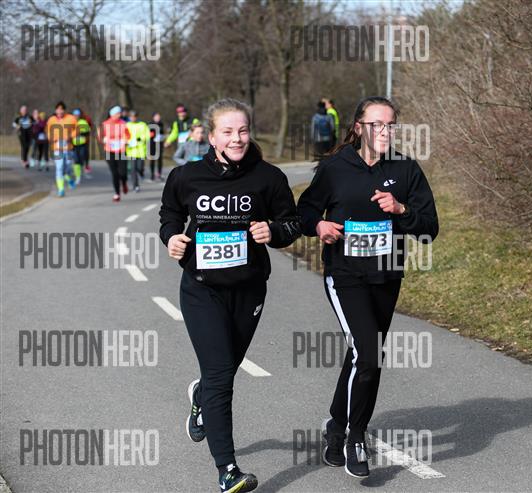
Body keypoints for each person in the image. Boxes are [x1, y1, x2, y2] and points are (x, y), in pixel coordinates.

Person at [159, 98, 300, 493]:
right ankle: (228, 470)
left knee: (224, 370)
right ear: (211, 136)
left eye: (242, 131)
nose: (236, 138)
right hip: (201, 289)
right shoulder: (186, 176)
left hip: (249, 289)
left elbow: (292, 223)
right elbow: (169, 214)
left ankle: (201, 395)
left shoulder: (268, 177)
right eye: (227, 131)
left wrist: (274, 231)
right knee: (222, 376)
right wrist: (171, 237)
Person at [297, 96, 439, 478]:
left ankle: (335, 426)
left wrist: (401, 210)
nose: (385, 131)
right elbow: (305, 211)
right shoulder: (334, 168)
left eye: (390, 125)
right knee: (370, 353)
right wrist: (319, 226)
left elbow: (430, 228)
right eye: (377, 124)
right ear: (359, 127)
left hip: (386, 276)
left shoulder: (405, 169)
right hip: (344, 276)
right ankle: (355, 437)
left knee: (363, 354)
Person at [45, 101, 78, 197]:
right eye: (58, 109)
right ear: (55, 110)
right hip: (57, 148)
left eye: (61, 109)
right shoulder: (51, 120)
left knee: (67, 167)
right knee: (59, 168)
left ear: (64, 110)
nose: (59, 111)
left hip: (68, 148)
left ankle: (69, 178)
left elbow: (77, 129)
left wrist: (70, 136)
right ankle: (61, 189)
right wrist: (52, 138)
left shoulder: (71, 118)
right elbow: (48, 131)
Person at [99, 106, 130, 202]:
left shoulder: (123, 124)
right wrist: (103, 139)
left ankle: (124, 183)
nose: (119, 115)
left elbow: (128, 135)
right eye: (117, 113)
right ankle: (117, 193)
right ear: (112, 114)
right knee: (115, 173)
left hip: (121, 151)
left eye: (120, 113)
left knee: (123, 172)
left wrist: (126, 140)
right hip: (110, 152)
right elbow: (100, 136)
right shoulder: (105, 124)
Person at [126, 110, 150, 192]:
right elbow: (124, 135)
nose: (133, 118)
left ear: (137, 117)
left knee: (139, 168)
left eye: (134, 116)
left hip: (141, 151)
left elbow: (147, 135)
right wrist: (127, 141)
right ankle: (135, 186)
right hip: (131, 151)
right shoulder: (127, 125)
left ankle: (141, 172)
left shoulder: (142, 125)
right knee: (133, 169)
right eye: (131, 117)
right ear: (129, 117)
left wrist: (140, 138)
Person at [71, 108, 91, 184]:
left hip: (82, 144)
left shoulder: (83, 122)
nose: (76, 116)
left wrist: (81, 132)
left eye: (77, 115)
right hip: (74, 145)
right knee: (76, 160)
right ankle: (78, 176)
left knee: (81, 158)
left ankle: (82, 167)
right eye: (75, 115)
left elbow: (87, 132)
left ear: (79, 115)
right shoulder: (71, 122)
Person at [148, 112, 165, 181]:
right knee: (152, 160)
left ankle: (159, 174)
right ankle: (152, 174)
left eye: (159, 117)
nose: (158, 118)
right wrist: (153, 135)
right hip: (152, 144)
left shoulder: (161, 124)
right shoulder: (150, 124)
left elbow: (163, 133)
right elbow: (148, 134)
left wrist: (162, 137)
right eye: (156, 117)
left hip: (159, 144)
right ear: (153, 117)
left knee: (160, 159)